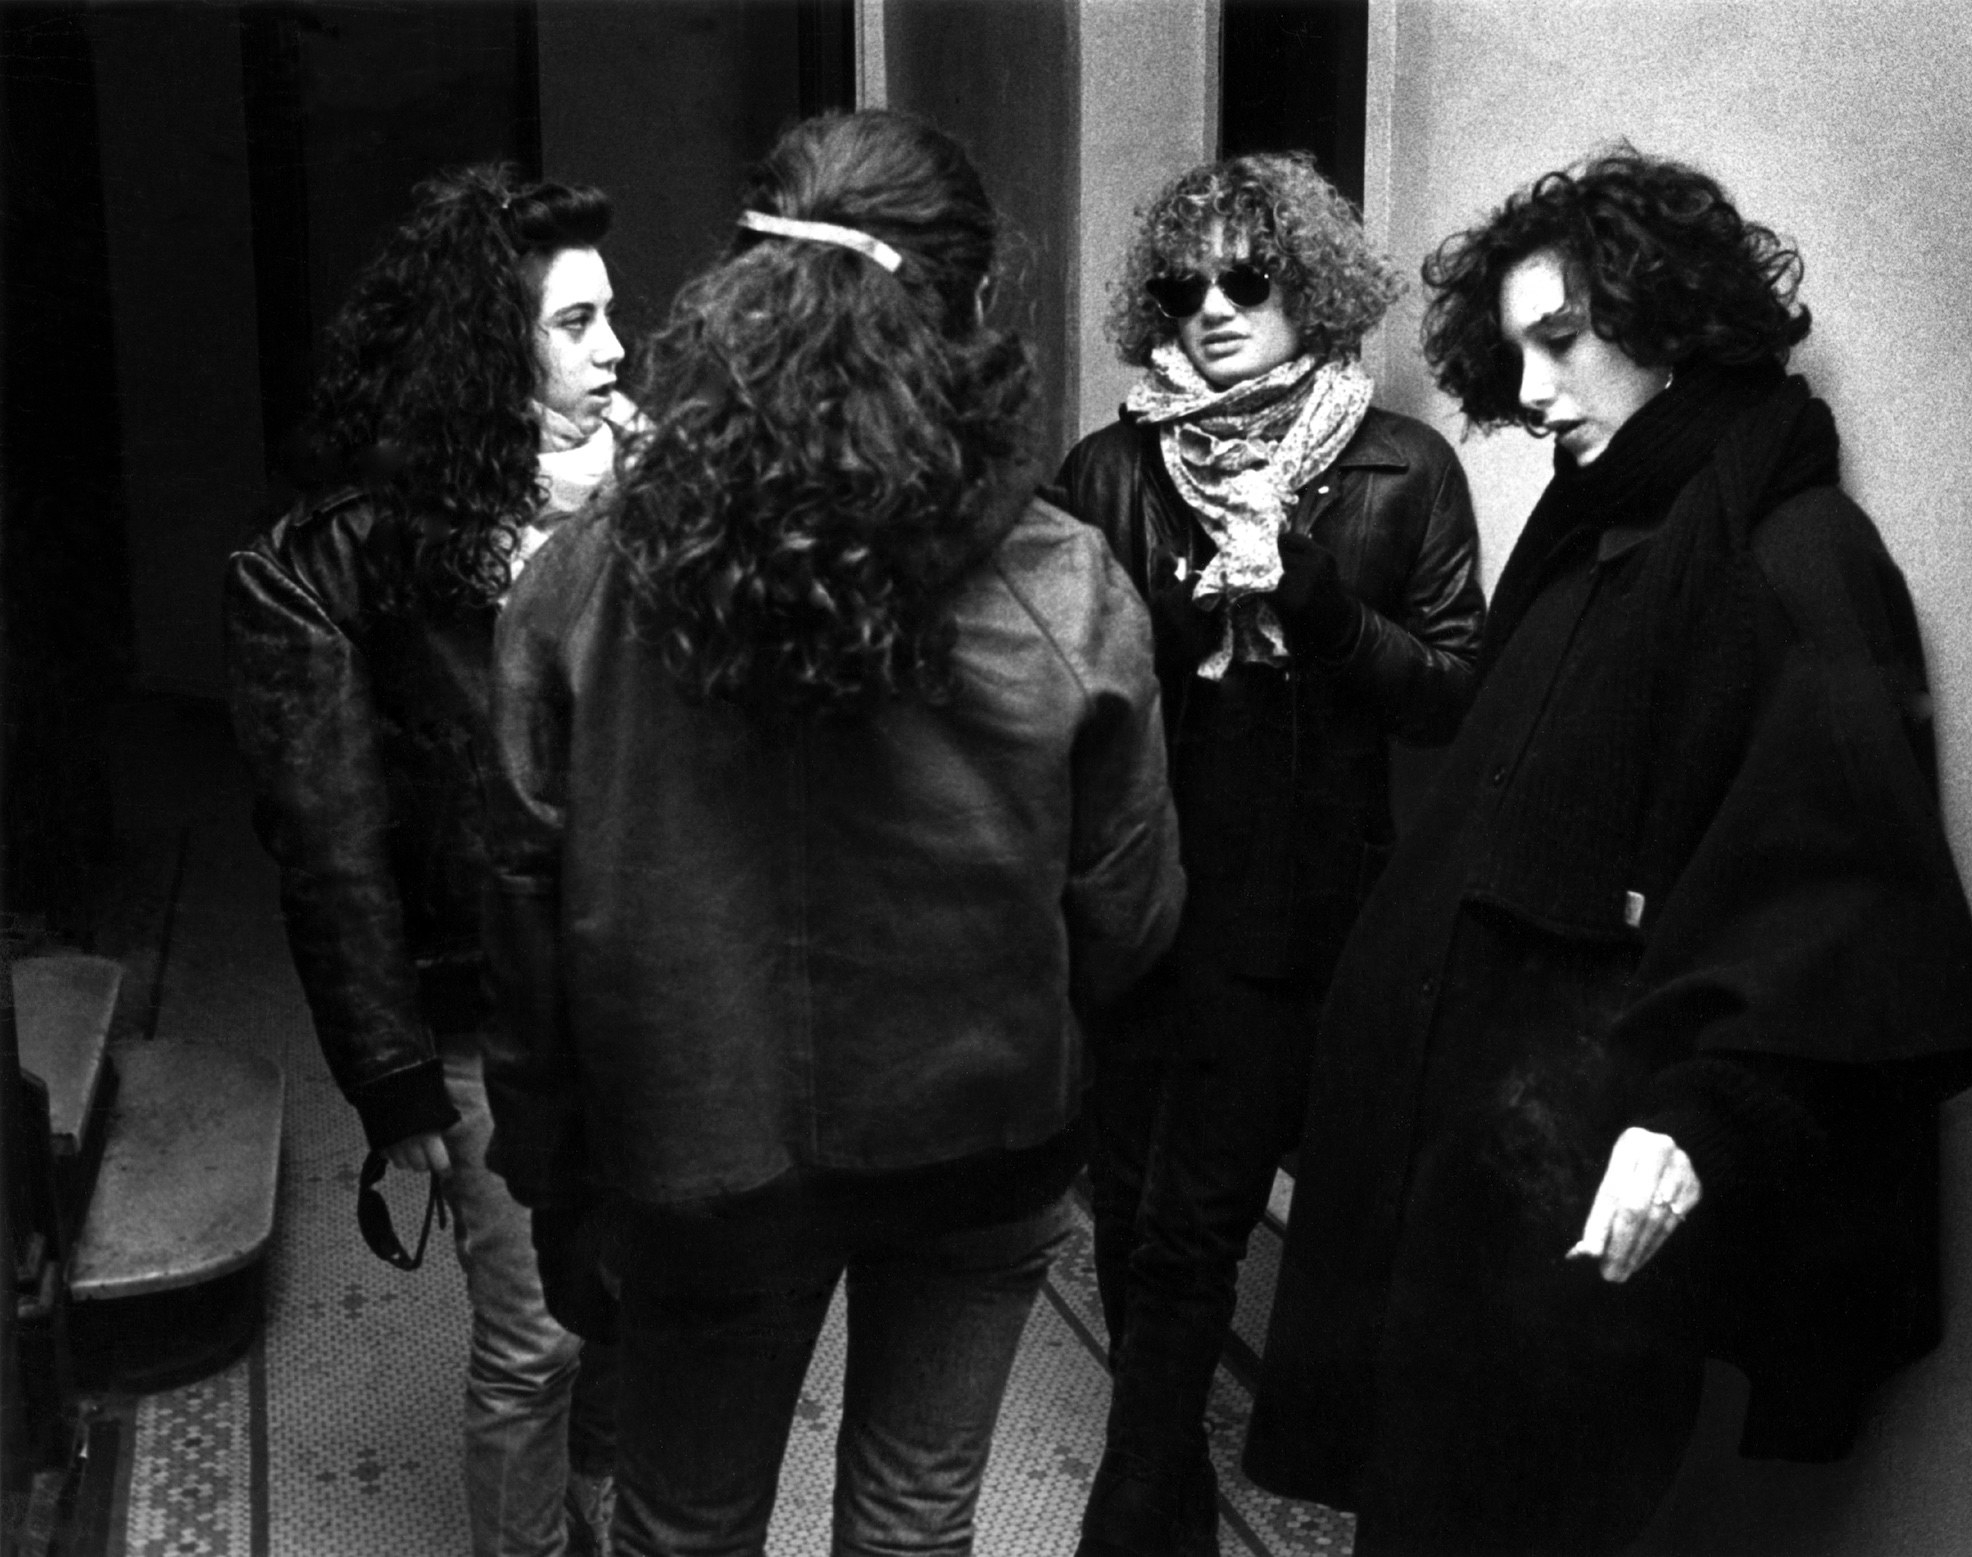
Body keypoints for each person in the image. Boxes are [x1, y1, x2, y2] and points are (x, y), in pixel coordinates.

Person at [1239, 146, 1972, 1556]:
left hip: (1573, 1197)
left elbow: (1841, 902)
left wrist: (1701, 1117)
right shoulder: (1593, 533)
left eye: (1562, 342)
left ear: (1666, 327)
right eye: (1515, 348)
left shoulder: (1794, 555)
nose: (1531, 394)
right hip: (1459, 1167)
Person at [479, 109, 1183, 1557]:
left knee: (683, 1524)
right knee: (916, 1519)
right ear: (975, 310)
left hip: (698, 1146)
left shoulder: (584, 581)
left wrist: (555, 1171)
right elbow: (1131, 916)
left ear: (738, 308)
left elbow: (522, 913)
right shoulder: (1064, 582)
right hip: (982, 1140)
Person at [1047, 152, 1484, 1556]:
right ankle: (1162, 1482)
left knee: (1192, 1229)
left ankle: (1136, 1509)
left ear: (1314, 289)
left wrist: (1309, 601)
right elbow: (1050, 698)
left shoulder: (1398, 466)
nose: (1215, 310)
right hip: (1138, 897)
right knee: (1129, 1215)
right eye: (1185, 286)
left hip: (1302, 909)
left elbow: (1452, 692)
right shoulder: (1110, 469)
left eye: (1252, 279)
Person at [225, 166, 630, 1557]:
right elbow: (329, 844)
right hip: (484, 1015)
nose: (616, 353)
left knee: (639, 1302)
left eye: (609, 319)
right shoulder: (331, 564)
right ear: (485, 349)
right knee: (536, 1343)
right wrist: (392, 1076)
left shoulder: (648, 508)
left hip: (656, 992)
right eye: (577, 323)